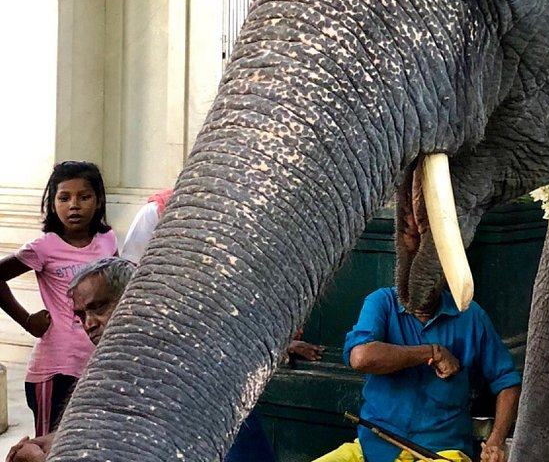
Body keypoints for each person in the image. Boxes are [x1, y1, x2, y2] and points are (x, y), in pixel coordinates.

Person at [120, 187, 323, 462]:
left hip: (227, 365)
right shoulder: (158, 212)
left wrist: (279, 336)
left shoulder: (253, 216)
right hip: (168, 359)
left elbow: (266, 287)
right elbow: (129, 282)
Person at [312, 287, 521, 462]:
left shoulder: (471, 315)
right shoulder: (381, 301)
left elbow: (507, 382)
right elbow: (360, 357)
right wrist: (430, 352)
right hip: (372, 450)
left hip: (440, 452)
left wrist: (496, 441)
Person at [0, 162, 117, 438]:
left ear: (98, 201)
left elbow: (115, 289)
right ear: (52, 204)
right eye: (64, 198)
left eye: (83, 197)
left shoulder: (107, 241)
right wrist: (27, 321)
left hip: (95, 365)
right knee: (51, 447)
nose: (73, 205)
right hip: (55, 370)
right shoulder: (44, 247)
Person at [6, 257, 135, 462]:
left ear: (130, 299)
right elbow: (94, 427)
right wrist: (50, 440)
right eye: (81, 316)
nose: (89, 324)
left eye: (99, 307)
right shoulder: (104, 368)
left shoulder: (145, 367)